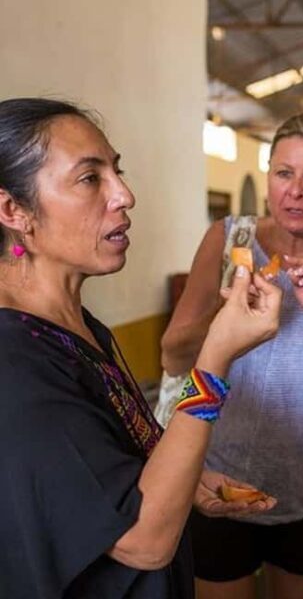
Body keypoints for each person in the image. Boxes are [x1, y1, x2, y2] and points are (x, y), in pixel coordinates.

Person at [0, 98, 283, 598]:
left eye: (117, 171)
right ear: (13, 210)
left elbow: (111, 463)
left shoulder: (76, 325)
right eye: (90, 179)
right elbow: (142, 539)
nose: (125, 195)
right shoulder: (16, 362)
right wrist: (214, 359)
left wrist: (186, 481)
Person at [161, 112, 303, 599]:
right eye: (284, 173)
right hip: (218, 478)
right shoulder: (228, 239)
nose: (296, 191)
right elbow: (172, 353)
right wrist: (226, 309)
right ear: (268, 177)